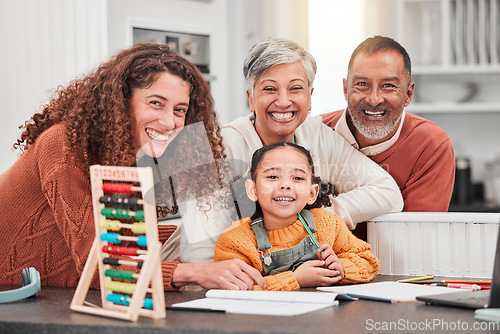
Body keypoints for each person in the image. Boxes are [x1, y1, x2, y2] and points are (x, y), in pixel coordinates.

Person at [0, 43, 265, 291]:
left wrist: (207, 232)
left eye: (180, 109)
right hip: (13, 295)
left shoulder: (128, 153)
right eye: (156, 103)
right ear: (120, 100)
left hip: (49, 293)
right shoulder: (62, 145)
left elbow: (121, 235)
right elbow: (100, 267)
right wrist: (191, 272)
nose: (170, 122)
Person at [214, 143, 379, 291]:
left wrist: (341, 268)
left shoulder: (327, 224)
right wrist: (296, 279)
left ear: (312, 193)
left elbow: (368, 261)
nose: (285, 185)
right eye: (272, 176)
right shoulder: (234, 241)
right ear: (252, 189)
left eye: (297, 178)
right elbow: (235, 290)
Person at [321, 36, 455, 212]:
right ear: (346, 90)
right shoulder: (316, 133)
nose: (374, 99)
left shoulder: (431, 145)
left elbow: (416, 233)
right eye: (362, 84)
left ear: (408, 94)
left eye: (388, 85)